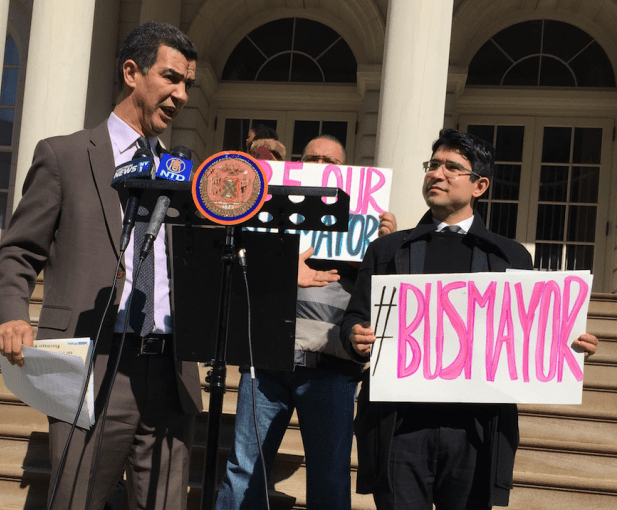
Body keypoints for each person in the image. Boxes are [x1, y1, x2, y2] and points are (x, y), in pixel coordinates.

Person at [0, 22, 200, 510]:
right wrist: (10, 314)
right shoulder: (64, 156)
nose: (182, 95)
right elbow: (18, 252)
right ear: (131, 72)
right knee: (76, 501)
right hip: (92, 363)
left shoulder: (184, 172)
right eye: (171, 78)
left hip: (170, 370)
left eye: (188, 84)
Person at [341, 128, 599, 509]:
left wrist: (567, 343)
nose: (437, 174)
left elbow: (527, 334)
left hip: (476, 431)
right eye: (433, 165)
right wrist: (355, 336)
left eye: (451, 167)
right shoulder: (387, 250)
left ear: (480, 185)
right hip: (399, 429)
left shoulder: (511, 257)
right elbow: (354, 319)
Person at [215, 134, 396, 510]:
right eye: (313, 159)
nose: (321, 166)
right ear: (298, 166)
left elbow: (381, 298)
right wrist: (281, 268)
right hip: (266, 361)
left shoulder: (365, 228)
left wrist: (386, 247)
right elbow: (237, 268)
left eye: (331, 162)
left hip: (332, 368)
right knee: (245, 470)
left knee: (330, 475)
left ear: (345, 172)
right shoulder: (267, 214)